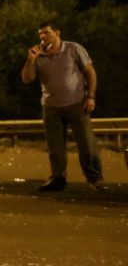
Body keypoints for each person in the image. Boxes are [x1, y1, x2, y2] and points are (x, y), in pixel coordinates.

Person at [20, 21, 105, 191]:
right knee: (55, 147)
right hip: (51, 107)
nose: (43, 36)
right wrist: (30, 60)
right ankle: (57, 179)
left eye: (46, 32)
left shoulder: (73, 48)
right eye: (40, 34)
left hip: (77, 103)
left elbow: (90, 73)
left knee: (87, 144)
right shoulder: (38, 54)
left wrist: (91, 96)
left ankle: (95, 179)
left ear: (57, 33)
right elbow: (26, 79)